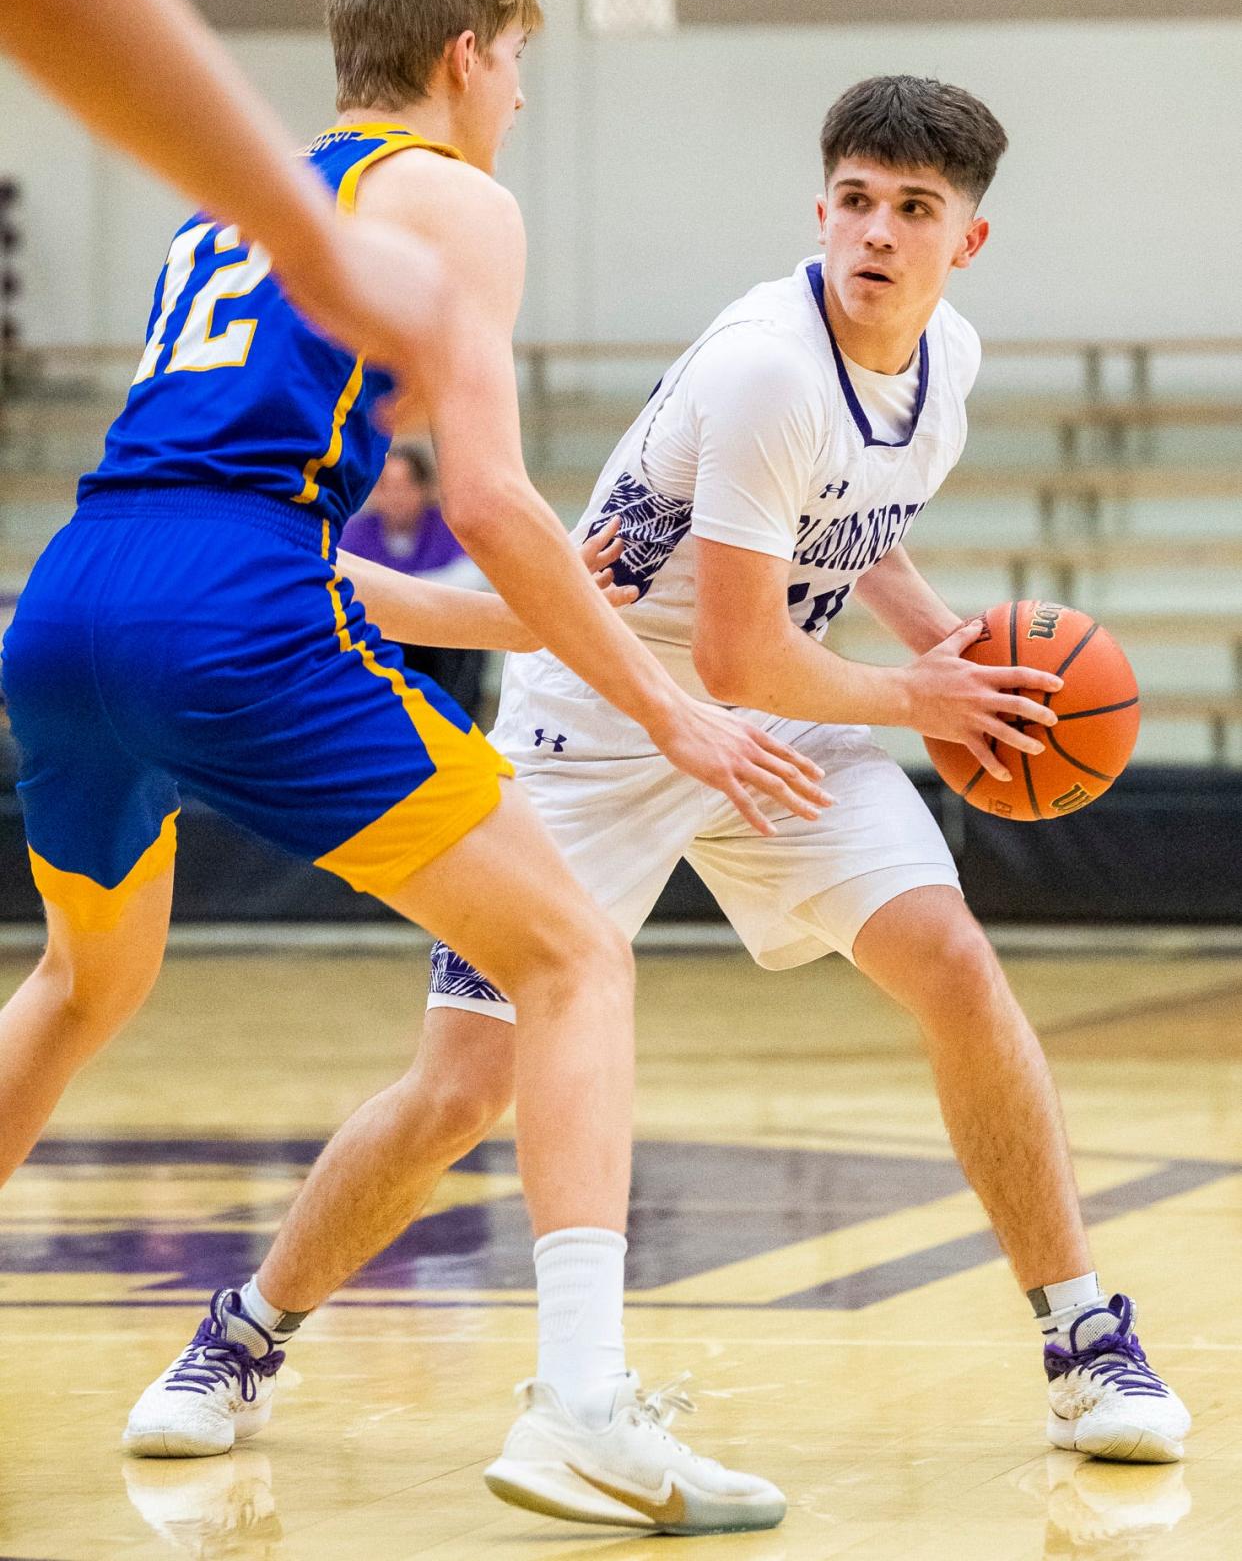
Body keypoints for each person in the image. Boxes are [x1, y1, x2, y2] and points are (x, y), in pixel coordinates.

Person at [154, 74, 1190, 1530]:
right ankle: (239, 1342)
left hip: (776, 719)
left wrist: (936, 642)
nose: (875, 233)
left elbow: (854, 528)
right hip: (602, 717)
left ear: (967, 242)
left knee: (954, 966)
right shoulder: (769, 362)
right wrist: (925, 703)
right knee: (462, 1086)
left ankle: (1084, 1339)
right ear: (816, 207)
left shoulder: (940, 358)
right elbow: (732, 646)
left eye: (912, 210)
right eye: (853, 200)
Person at [1, 0, 838, 1536]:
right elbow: (495, 502)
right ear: (470, 55)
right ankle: (582, 1404)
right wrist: (663, 702)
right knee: (569, 956)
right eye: (519, 68)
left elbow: (256, 531)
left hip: (72, 599)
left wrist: (511, 606)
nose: (519, 102)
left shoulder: (226, 210)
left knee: (81, 978)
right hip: (230, 616)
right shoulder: (457, 199)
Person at [0, 0, 444, 424]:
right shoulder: (438, 185)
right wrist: (318, 246)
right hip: (258, 500)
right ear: (465, 56)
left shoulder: (210, 214)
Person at [340, 443, 488, 720]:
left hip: (440, 640)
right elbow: (341, 583)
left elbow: (472, 579)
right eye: (387, 487)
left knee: (469, 637)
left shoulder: (448, 525)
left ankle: (459, 720)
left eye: (405, 486)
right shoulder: (357, 531)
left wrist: (394, 591)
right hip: (383, 637)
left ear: (423, 489)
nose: (396, 497)